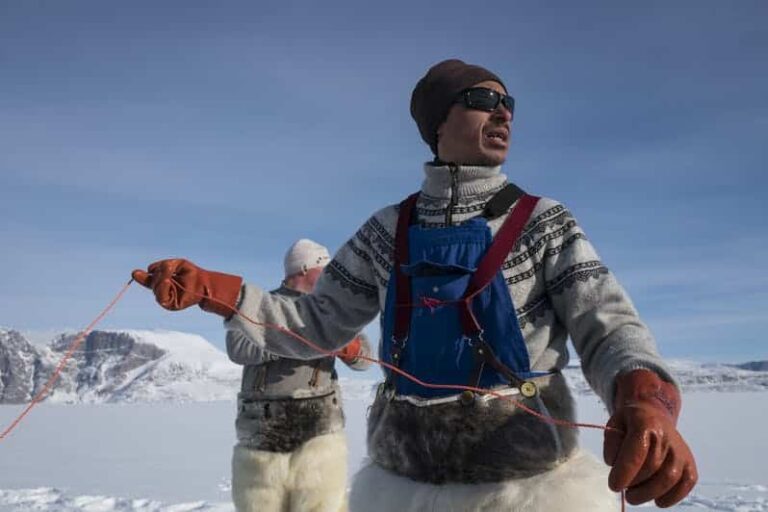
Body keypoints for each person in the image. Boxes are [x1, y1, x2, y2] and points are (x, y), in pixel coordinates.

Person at [133, 59, 697, 512]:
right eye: (483, 99)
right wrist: (220, 291)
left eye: (509, 103)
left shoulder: (543, 221)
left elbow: (608, 326)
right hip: (400, 485)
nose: (503, 112)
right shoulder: (386, 230)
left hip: (528, 487)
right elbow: (314, 323)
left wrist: (645, 400)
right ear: (438, 122)